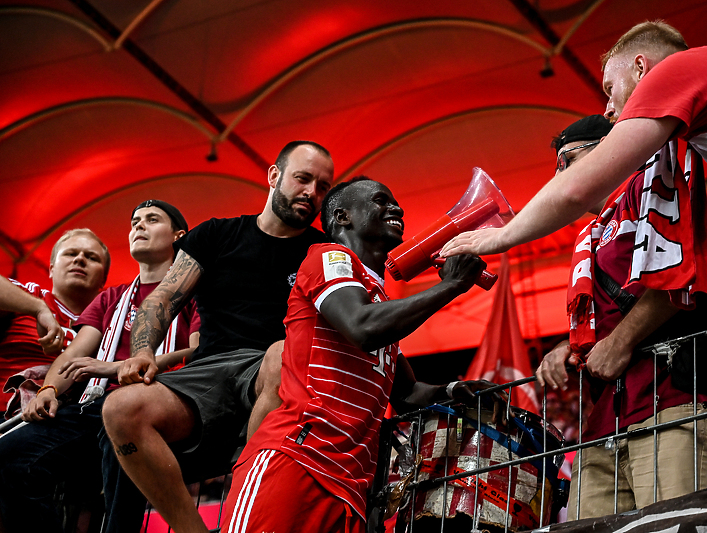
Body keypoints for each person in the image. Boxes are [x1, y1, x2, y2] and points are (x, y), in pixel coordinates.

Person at [439, 21, 707, 339]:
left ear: (642, 68)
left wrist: (502, 235)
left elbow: (578, 187)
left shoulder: (679, 70)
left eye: (610, 88)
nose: (608, 109)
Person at [221, 177, 502, 533]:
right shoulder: (329, 256)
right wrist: (451, 285)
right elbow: (361, 327)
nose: (396, 208)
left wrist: (451, 391)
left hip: (351, 486)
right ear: (342, 216)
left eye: (396, 202)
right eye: (381, 201)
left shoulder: (380, 303)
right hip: (296, 459)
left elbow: (404, 393)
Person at [101, 141, 334, 532]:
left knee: (281, 352)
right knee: (119, 408)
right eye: (303, 178)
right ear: (274, 176)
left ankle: (244, 513)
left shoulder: (324, 251)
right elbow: (162, 299)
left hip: (279, 370)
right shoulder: (216, 235)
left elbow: (358, 322)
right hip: (209, 373)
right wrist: (142, 351)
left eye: (323, 186)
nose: (312, 192)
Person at [534, 116, 707, 519]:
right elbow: (609, 318)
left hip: (677, 400)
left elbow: (681, 274)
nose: (561, 174)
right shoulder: (591, 234)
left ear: (613, 150)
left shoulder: (653, 186)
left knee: (681, 526)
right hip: (604, 425)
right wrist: (570, 344)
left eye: (570, 159)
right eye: (557, 165)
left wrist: (620, 342)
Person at [0, 200, 198, 533]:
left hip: (154, 405)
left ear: (179, 236)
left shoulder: (195, 292)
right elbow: (73, 355)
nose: (138, 226)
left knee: (123, 420)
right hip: (91, 407)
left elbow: (200, 352)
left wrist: (123, 366)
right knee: (8, 457)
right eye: (135, 221)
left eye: (152, 220)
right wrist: (49, 389)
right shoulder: (110, 298)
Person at [1, 228, 109, 413]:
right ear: (51, 268)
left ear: (103, 280)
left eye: (92, 258)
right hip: (7, 415)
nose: (80, 259)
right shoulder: (28, 295)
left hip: (75, 419)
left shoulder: (112, 325)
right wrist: (38, 308)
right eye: (71, 253)